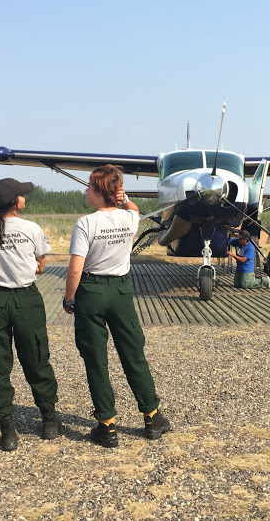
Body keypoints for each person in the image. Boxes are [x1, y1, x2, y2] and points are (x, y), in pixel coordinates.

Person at [63, 164, 171, 448]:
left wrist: (69, 298)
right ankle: (152, 416)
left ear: (99, 192)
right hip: (121, 291)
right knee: (133, 354)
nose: (86, 190)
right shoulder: (129, 219)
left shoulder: (85, 224)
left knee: (96, 359)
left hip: (92, 290)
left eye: (89, 186)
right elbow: (133, 209)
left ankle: (107, 425)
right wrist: (123, 199)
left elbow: (75, 268)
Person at [0, 178, 61, 451]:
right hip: (26, 299)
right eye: (22, 195)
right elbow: (41, 266)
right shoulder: (31, 228)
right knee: (36, 357)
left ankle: (7, 429)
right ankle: (49, 420)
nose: (25, 198)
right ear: (15, 203)